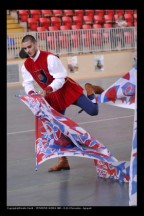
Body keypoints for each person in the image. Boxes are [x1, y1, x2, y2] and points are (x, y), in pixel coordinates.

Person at [20, 34, 104, 172]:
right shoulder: (26, 65)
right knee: (55, 129)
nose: (28, 50)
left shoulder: (50, 58)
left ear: (35, 44)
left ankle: (90, 89)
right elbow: (27, 83)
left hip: (65, 89)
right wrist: (31, 94)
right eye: (25, 48)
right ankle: (63, 161)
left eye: (29, 47)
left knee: (93, 111)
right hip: (52, 96)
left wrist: (48, 88)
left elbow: (60, 77)